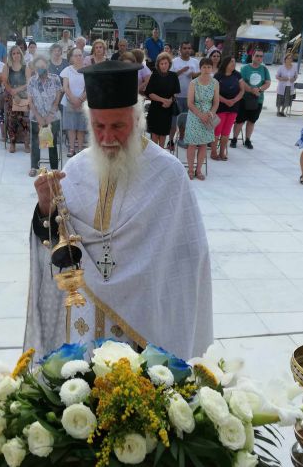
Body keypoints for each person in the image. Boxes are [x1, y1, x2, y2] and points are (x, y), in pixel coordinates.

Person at [26, 60, 212, 358]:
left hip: (144, 326)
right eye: (98, 126)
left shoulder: (168, 174)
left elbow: (189, 259)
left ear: (138, 121)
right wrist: (45, 209)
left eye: (118, 126)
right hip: (84, 325)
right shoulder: (75, 169)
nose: (107, 137)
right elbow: (56, 242)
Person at [27, 55, 62, 177]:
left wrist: (50, 115)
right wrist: (39, 117)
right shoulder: (32, 81)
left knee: (51, 141)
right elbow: (30, 101)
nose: (41, 69)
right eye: (38, 67)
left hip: (52, 115)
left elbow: (57, 99)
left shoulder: (55, 79)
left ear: (47, 66)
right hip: (37, 116)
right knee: (36, 141)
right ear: (35, 68)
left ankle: (54, 168)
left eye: (43, 66)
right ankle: (34, 167)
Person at [185, 58, 219, 180]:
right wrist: (200, 115)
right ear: (200, 68)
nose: (206, 69)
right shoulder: (193, 83)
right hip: (195, 116)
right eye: (204, 67)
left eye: (209, 67)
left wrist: (211, 113)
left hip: (208, 116)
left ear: (212, 68)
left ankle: (198, 170)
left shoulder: (215, 83)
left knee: (204, 145)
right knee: (192, 144)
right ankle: (190, 169)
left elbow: (216, 102)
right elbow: (189, 103)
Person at [231, 49, 271, 150]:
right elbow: (242, 82)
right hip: (245, 98)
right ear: (252, 56)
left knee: (252, 121)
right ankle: (234, 139)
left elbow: (268, 82)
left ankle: (248, 140)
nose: (259, 58)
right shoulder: (245, 68)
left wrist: (259, 89)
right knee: (240, 120)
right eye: (257, 56)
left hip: (258, 99)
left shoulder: (264, 69)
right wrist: (251, 90)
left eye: (261, 56)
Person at [145, 52, 180, 149]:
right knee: (155, 133)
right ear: (158, 65)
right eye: (161, 64)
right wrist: (164, 100)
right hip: (155, 108)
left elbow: (176, 92)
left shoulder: (173, 76)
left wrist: (169, 101)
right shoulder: (154, 76)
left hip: (167, 109)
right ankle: (155, 154)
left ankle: (162, 153)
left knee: (164, 133)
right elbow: (149, 93)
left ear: (169, 64)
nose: (164, 66)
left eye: (166, 63)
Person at [213, 56, 244, 161]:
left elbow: (242, 90)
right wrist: (226, 101)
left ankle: (222, 152)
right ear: (226, 63)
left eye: (234, 62)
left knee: (226, 131)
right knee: (217, 130)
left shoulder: (237, 75)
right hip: (220, 106)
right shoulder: (218, 76)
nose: (233, 64)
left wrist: (234, 100)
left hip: (233, 106)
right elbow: (214, 92)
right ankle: (213, 152)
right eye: (231, 62)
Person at [169, 41, 200, 145]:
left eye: (189, 48)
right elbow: (170, 77)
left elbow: (200, 77)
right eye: (185, 48)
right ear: (180, 50)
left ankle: (181, 139)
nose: (187, 50)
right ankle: (170, 140)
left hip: (190, 96)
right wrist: (181, 71)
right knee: (174, 121)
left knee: (185, 120)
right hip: (176, 96)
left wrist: (194, 74)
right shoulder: (174, 62)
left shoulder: (195, 62)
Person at [60, 48, 87, 157]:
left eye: (80, 55)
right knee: (71, 127)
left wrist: (80, 100)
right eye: (76, 55)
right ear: (71, 58)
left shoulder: (86, 70)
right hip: (69, 102)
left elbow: (88, 88)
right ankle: (71, 148)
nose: (78, 57)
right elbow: (65, 87)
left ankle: (80, 149)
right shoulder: (67, 70)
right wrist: (73, 99)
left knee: (81, 127)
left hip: (83, 101)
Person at [3, 45, 29, 153]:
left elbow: (28, 83)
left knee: (24, 119)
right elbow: (5, 82)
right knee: (12, 119)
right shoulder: (7, 67)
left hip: (23, 95)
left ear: (21, 54)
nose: (16, 55)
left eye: (18, 53)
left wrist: (17, 91)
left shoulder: (25, 67)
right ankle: (12, 143)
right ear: (11, 55)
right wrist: (13, 94)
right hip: (10, 95)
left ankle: (26, 144)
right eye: (14, 53)